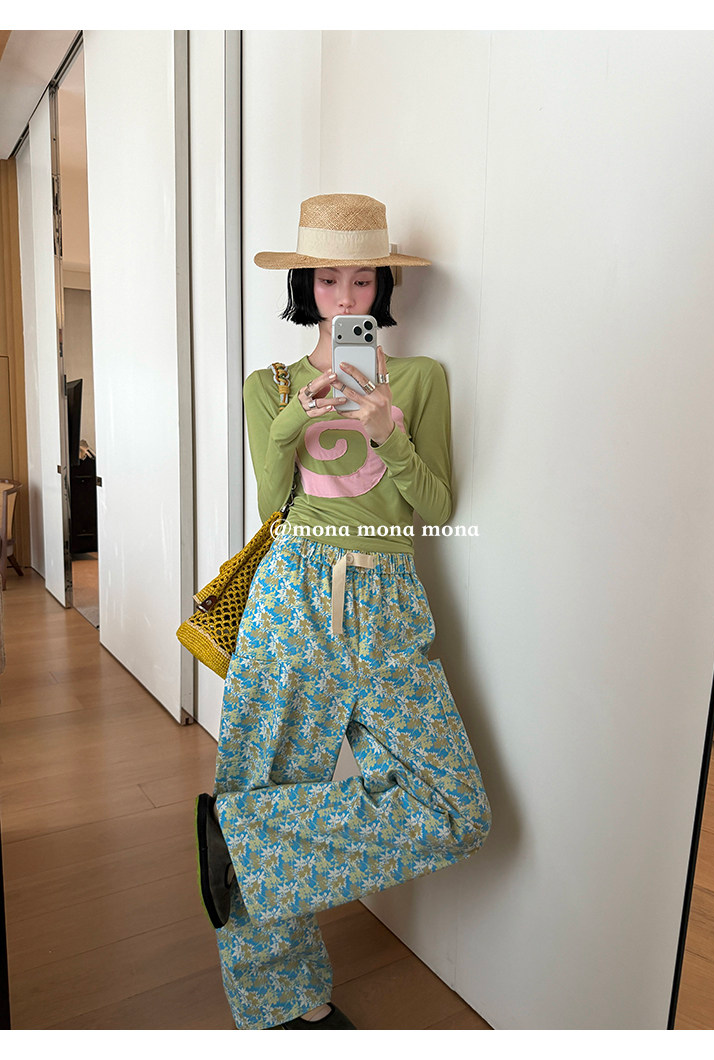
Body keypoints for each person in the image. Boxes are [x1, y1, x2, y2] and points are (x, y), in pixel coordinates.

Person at [196, 194, 491, 1031]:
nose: (347, 297)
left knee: (454, 806)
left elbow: (436, 507)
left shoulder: (421, 380)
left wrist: (389, 432)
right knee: (266, 778)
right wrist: (297, 414)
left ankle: (241, 841)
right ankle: (282, 1007)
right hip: (294, 591)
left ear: (383, 286)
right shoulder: (269, 386)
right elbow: (270, 501)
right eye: (329, 280)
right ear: (306, 287)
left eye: (364, 280)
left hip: (390, 598)